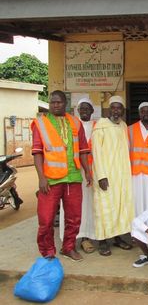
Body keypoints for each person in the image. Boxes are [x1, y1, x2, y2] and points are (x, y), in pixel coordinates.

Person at [31, 90, 92, 261]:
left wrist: (87, 171)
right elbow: (37, 153)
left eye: (59, 102)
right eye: (52, 102)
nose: (55, 105)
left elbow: (83, 150)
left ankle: (68, 247)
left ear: (65, 103)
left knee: (74, 217)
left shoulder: (75, 122)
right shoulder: (40, 123)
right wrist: (41, 177)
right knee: (46, 219)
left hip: (73, 177)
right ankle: (47, 251)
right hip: (50, 179)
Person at [92, 96, 134, 256]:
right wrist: (101, 176)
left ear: (123, 111)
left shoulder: (123, 126)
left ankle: (117, 237)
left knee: (118, 206)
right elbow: (96, 153)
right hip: (106, 175)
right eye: (114, 108)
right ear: (109, 110)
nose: (116, 111)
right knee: (104, 208)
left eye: (119, 108)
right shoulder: (100, 127)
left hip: (121, 175)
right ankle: (102, 241)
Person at [59, 97, 97, 254]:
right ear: (77, 110)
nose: (84, 111)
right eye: (82, 108)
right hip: (73, 171)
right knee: (72, 204)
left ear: (93, 111)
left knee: (89, 204)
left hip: (92, 171)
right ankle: (71, 238)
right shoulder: (70, 125)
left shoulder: (98, 126)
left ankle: (87, 237)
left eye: (87, 108)